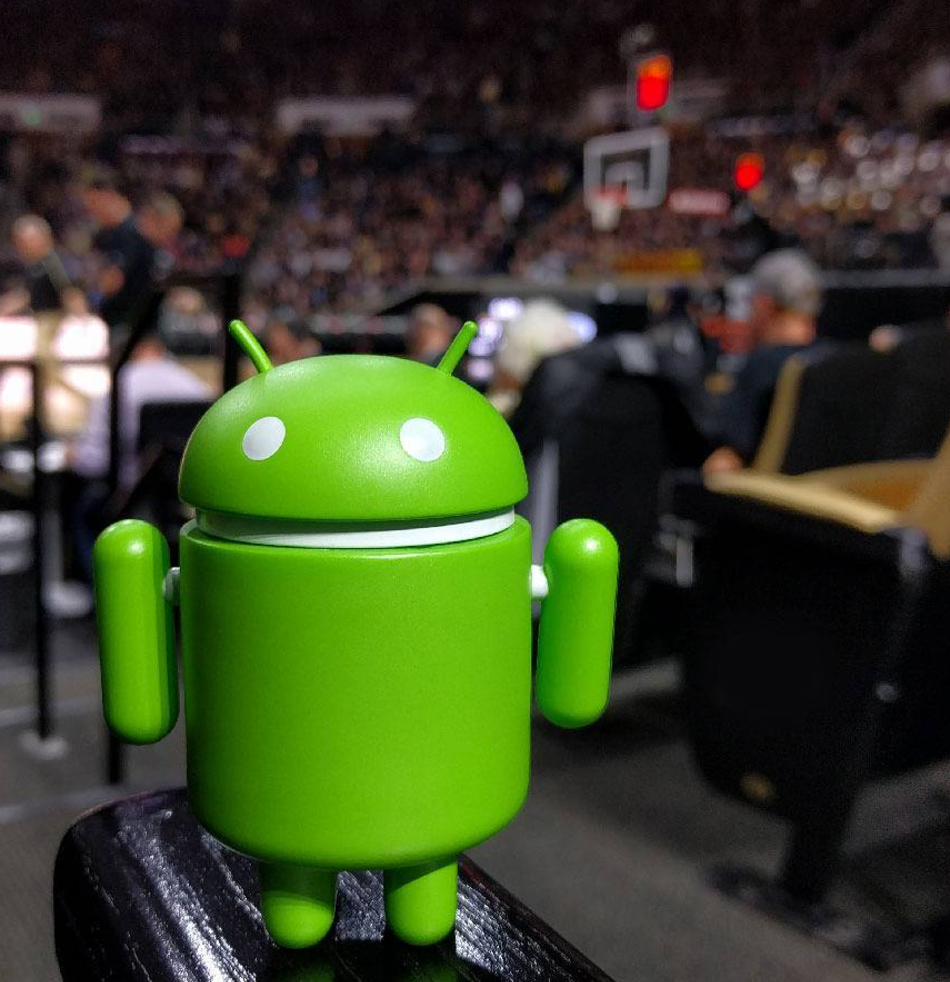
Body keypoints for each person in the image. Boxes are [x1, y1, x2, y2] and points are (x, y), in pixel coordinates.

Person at [703, 249, 824, 475]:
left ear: (763, 304)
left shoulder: (761, 368)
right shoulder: (838, 363)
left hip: (772, 493)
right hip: (834, 491)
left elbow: (727, 460)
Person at [83, 181, 184, 336]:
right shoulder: (131, 240)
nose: (171, 235)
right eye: (170, 228)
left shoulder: (151, 247)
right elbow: (111, 281)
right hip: (120, 324)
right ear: (153, 219)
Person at [0, 214, 71, 315]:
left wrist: (78, 321)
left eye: (26, 241)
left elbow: (71, 294)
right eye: (18, 242)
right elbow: (28, 294)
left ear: (43, 238)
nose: (21, 247)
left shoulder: (56, 263)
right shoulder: (37, 265)